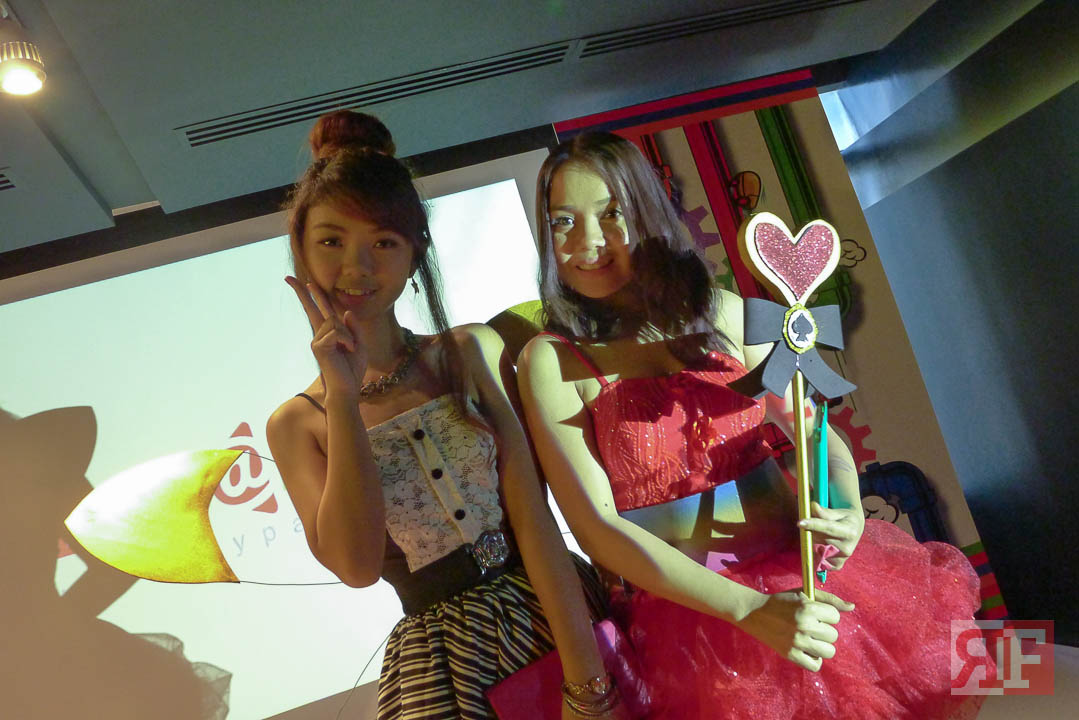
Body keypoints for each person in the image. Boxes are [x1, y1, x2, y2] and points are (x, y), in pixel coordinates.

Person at [516, 131, 985, 719]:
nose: (588, 241)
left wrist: (847, 508)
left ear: (647, 211)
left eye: (612, 213)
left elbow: (811, 429)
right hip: (696, 623)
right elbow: (597, 526)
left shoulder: (727, 312)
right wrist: (746, 609)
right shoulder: (552, 360)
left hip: (811, 579)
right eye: (563, 222)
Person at [266, 111, 622, 720]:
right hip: (443, 667)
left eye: (383, 242)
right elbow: (356, 567)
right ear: (301, 251)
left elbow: (535, 521)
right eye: (331, 241)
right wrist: (343, 398)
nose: (357, 267)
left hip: (558, 616)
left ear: (415, 253)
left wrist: (589, 686)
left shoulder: (468, 350)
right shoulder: (297, 424)